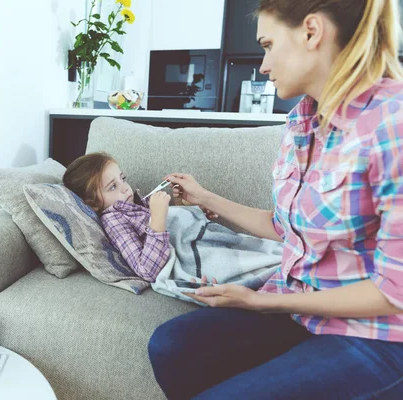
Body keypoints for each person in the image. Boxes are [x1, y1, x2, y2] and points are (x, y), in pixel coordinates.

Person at [148, 0, 403, 398]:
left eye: (267, 45)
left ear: (311, 31)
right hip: (301, 309)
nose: (263, 65)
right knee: (169, 345)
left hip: (379, 336)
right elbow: (285, 228)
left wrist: (258, 303)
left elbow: (393, 293)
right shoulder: (302, 122)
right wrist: (202, 196)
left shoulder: (392, 121)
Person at [63, 152, 173, 282]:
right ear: (93, 204)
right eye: (113, 187)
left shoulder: (134, 203)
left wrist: (181, 203)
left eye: (123, 179)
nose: (125, 188)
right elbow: (147, 271)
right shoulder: (113, 221)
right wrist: (157, 219)